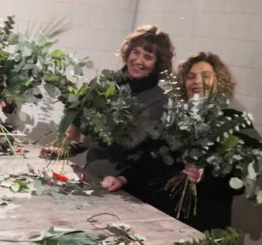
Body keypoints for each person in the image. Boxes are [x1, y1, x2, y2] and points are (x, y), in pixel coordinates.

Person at [103, 51, 260, 231]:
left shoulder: (235, 122)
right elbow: (151, 158)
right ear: (184, 83)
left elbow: (244, 175)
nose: (197, 81)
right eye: (191, 77)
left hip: (203, 223)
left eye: (206, 76)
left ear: (219, 83)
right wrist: (123, 178)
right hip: (160, 216)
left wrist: (205, 174)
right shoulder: (175, 118)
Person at [45, 25, 174, 183]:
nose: (139, 60)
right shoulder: (110, 84)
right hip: (90, 174)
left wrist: (81, 137)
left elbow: (128, 143)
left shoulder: (157, 100)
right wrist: (65, 149)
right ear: (128, 52)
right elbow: (94, 127)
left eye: (148, 57)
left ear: (157, 64)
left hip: (119, 184)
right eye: (136, 52)